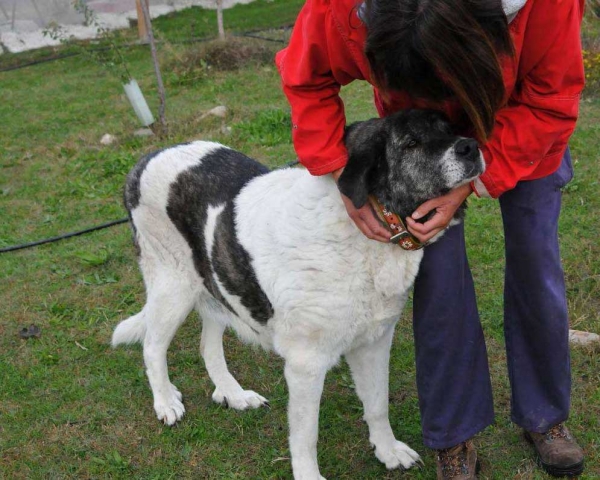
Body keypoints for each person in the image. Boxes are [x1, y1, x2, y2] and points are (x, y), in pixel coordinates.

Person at [275, 0, 586, 478]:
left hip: (526, 124)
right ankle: (454, 433)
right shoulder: (341, 9)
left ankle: (546, 416)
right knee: (436, 277)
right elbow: (306, 76)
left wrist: (478, 177)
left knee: (536, 264)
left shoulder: (546, 6)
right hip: (425, 136)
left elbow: (551, 97)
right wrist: (341, 171)